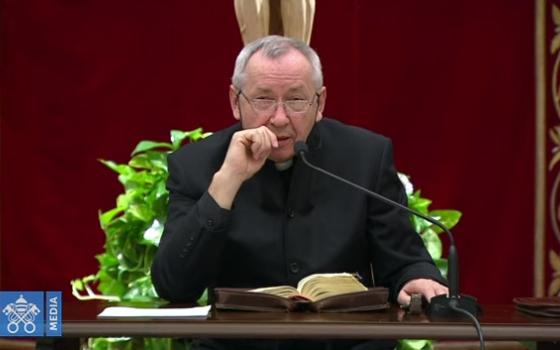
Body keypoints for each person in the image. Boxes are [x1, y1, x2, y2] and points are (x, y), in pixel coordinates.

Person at [151, 35, 448, 350]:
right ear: (235, 101)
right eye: (263, 99)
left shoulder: (365, 157)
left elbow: (403, 259)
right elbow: (174, 285)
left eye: (296, 100)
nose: (280, 119)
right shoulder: (196, 165)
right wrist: (227, 181)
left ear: (319, 103)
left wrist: (415, 277)